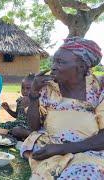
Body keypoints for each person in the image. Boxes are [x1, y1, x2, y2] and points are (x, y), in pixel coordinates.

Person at [22, 37, 104, 179]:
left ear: (82, 66)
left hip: (88, 149)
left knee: (88, 171)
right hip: (49, 145)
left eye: (60, 62)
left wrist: (62, 149)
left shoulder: (98, 89)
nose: (53, 66)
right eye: (54, 60)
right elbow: (34, 126)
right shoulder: (48, 87)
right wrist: (34, 93)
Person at [0, 73, 34, 140]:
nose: (25, 91)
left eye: (28, 88)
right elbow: (17, 115)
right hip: (17, 124)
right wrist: (8, 109)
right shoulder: (20, 101)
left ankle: (31, 136)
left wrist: (26, 107)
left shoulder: (36, 102)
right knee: (1, 125)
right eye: (22, 88)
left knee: (16, 130)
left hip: (27, 127)